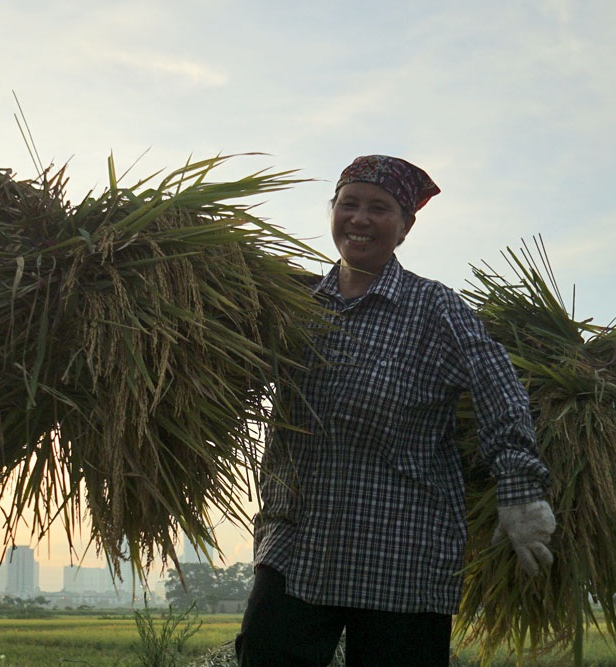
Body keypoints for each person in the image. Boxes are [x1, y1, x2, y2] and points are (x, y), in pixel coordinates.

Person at [235, 155, 555, 667]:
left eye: (379, 209)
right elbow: (231, 373)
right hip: (298, 540)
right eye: (349, 204)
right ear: (332, 211)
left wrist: (520, 493)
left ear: (404, 228)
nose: (360, 218)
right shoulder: (292, 305)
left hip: (402, 548)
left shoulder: (435, 309)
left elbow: (501, 391)